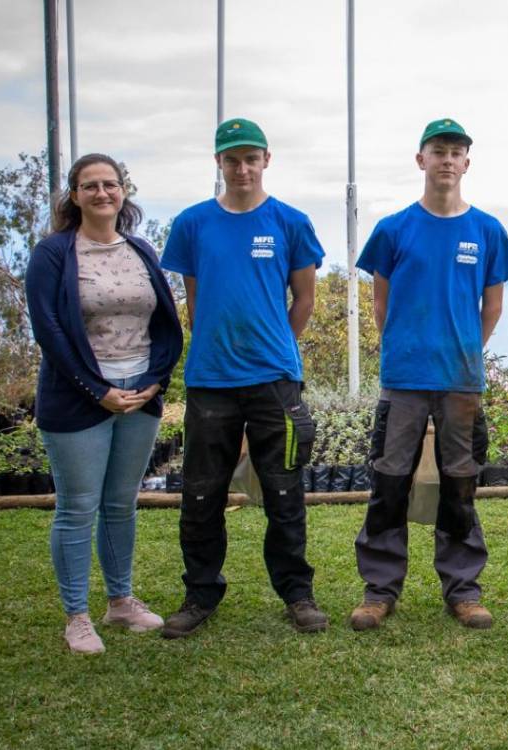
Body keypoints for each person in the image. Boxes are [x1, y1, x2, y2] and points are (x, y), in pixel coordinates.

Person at [159, 118, 327, 638]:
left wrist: (274, 345)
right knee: (201, 494)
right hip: (210, 381)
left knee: (284, 492)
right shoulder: (193, 224)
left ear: (266, 160)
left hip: (275, 381)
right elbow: (195, 301)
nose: (242, 168)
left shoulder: (291, 222)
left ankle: (297, 594)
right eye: (231, 159)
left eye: (251, 158)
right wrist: (221, 346)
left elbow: (304, 299)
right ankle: (200, 594)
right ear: (218, 162)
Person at [350, 118, 508, 631]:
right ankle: (379, 590)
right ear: (420, 159)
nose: (447, 159)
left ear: (467, 163)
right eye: (438, 151)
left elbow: (492, 308)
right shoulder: (393, 229)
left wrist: (464, 350)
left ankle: (463, 590)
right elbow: (381, 306)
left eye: (456, 152)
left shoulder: (487, 231)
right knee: (389, 482)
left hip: (460, 382)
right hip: (403, 380)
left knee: (460, 486)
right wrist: (409, 348)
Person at [25, 153, 183, 653]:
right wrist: (97, 390)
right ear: (74, 195)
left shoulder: (141, 249)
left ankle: (120, 601)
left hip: (139, 393)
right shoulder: (53, 253)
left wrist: (156, 381)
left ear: (123, 192)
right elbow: (48, 329)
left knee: (120, 503)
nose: (101, 193)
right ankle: (77, 616)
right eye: (89, 185)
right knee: (77, 507)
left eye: (109, 184)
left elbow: (164, 322)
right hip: (78, 397)